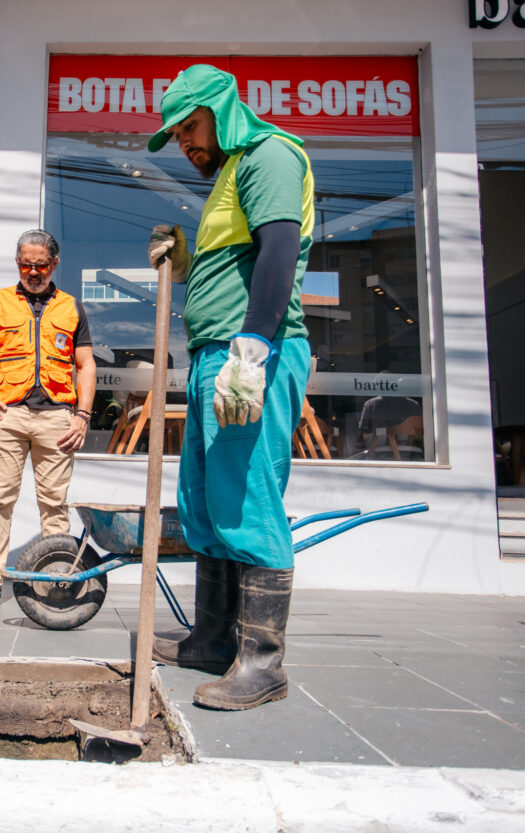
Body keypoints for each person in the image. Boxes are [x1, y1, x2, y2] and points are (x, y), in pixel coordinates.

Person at [145, 64, 315, 710]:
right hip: (214, 356)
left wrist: (253, 347)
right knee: (207, 505)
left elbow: (277, 253)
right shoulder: (227, 179)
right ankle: (214, 639)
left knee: (247, 501)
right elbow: (233, 265)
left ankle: (263, 664)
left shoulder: (268, 155)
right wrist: (184, 261)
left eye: (190, 126)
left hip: (251, 353)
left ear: (221, 108)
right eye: (177, 133)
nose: (186, 142)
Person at [0, 229, 96, 612]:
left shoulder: (72, 306)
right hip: (8, 416)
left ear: (54, 264)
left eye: (41, 265)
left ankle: (56, 581)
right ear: (18, 263)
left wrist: (82, 415)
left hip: (56, 418)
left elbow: (85, 365)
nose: (33, 272)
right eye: (26, 264)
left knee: (54, 502)